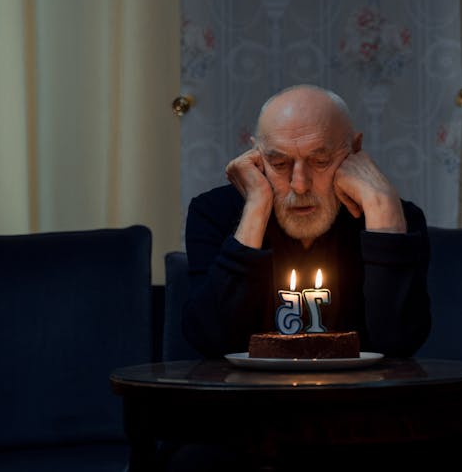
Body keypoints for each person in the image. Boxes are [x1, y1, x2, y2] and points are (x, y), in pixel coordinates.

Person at [182, 84, 431, 360]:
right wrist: (255, 209)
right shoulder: (214, 212)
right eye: (279, 164)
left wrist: (383, 211)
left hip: (360, 388)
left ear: (354, 150)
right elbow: (210, 341)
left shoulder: (396, 218)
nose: (299, 185)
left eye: (320, 161)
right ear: (257, 157)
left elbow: (398, 348)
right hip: (248, 388)